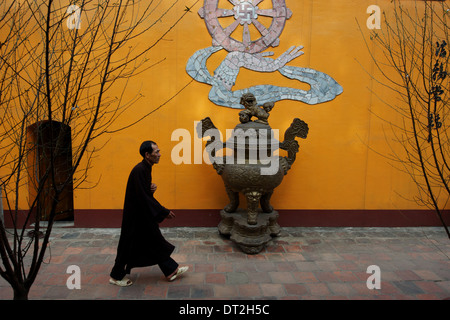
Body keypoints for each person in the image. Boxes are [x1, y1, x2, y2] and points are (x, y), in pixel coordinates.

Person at [109, 141, 188, 286]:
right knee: (128, 245)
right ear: (147, 155)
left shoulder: (145, 168)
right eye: (156, 152)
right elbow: (143, 198)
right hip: (135, 217)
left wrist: (150, 189)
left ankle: (171, 270)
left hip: (141, 215)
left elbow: (143, 193)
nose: (159, 154)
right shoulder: (140, 170)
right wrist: (163, 211)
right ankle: (115, 276)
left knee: (154, 241)